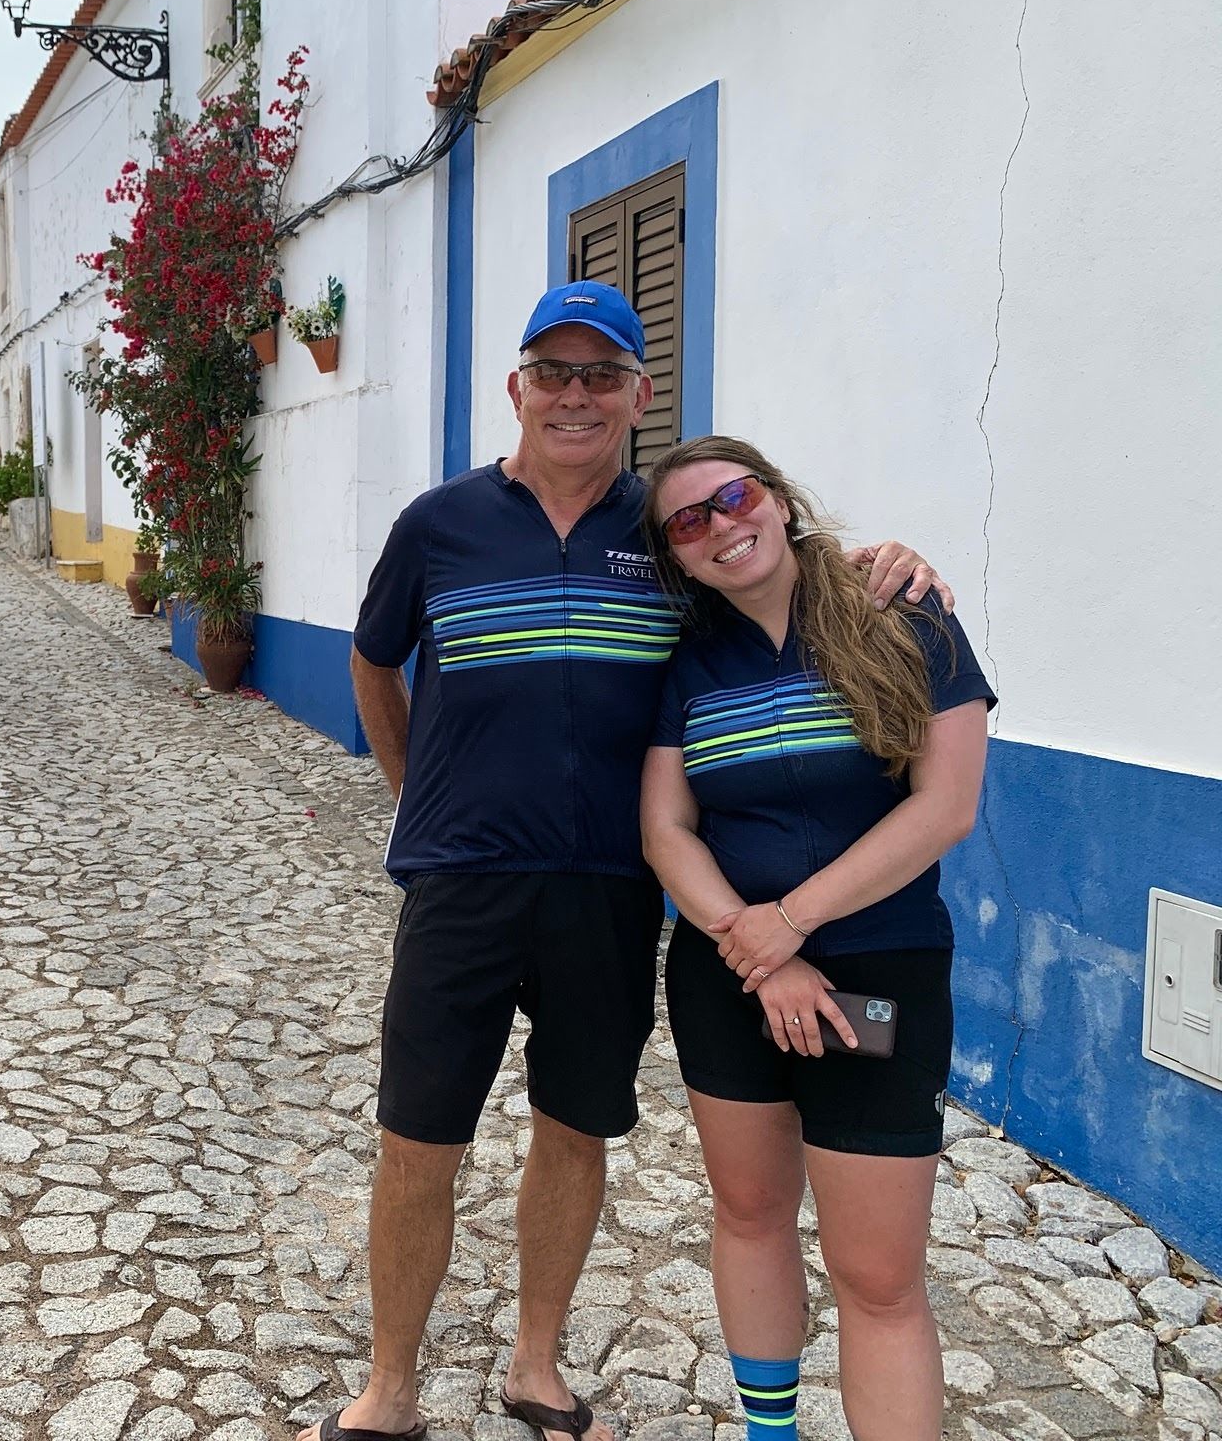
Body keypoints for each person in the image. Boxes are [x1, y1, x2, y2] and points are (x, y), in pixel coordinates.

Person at [313, 283, 945, 1441]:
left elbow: (768, 576)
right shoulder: (436, 525)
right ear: (515, 389)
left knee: (574, 1124)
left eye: (599, 374)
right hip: (460, 883)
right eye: (550, 372)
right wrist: (414, 799)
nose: (572, 395)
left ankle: (536, 1368)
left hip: (609, 889)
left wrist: (882, 559)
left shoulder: (664, 535)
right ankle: (386, 1391)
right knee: (417, 1136)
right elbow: (371, 661)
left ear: (638, 397)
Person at [639, 436, 992, 1441]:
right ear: (675, 555)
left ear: (777, 500)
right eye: (687, 521)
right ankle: (768, 1432)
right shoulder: (688, 662)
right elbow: (664, 827)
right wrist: (754, 951)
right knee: (747, 1215)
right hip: (725, 975)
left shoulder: (903, 617)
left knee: (875, 1277)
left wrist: (789, 927)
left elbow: (944, 807)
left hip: (876, 975)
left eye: (732, 497)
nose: (718, 525)